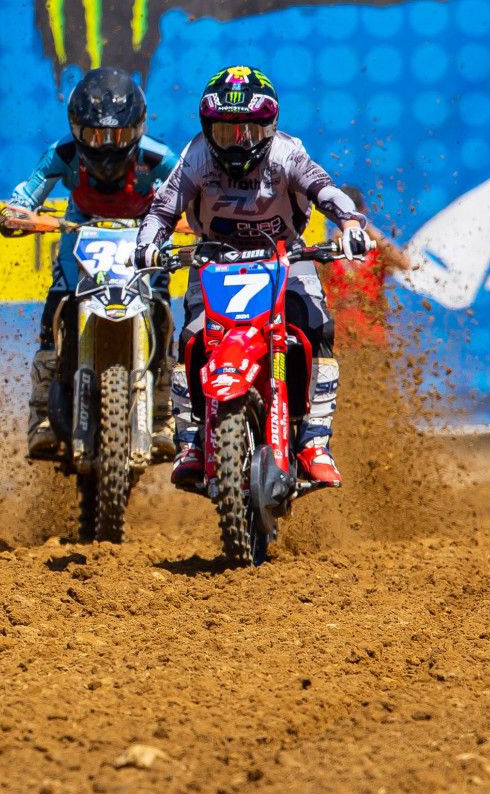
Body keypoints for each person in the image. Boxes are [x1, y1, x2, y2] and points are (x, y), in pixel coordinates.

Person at [135, 65, 369, 489]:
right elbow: (163, 209)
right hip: (213, 262)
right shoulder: (195, 157)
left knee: (317, 328)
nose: (239, 142)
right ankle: (190, 442)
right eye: (226, 132)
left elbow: (326, 189)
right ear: (209, 129)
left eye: (249, 132)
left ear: (270, 126)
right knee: (190, 339)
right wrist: (147, 244)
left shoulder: (288, 154)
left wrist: (351, 225)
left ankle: (315, 442)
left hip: (286, 257)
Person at [0, 66, 177, 460]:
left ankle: (163, 413)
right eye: (96, 136)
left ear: (138, 128)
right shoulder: (62, 153)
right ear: (77, 130)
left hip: (143, 232)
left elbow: (192, 193)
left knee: (161, 309)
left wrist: (202, 220)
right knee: (56, 308)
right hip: (80, 229)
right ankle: (42, 413)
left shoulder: (158, 157)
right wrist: (15, 214)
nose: (108, 147)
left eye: (118, 136)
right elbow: (27, 194)